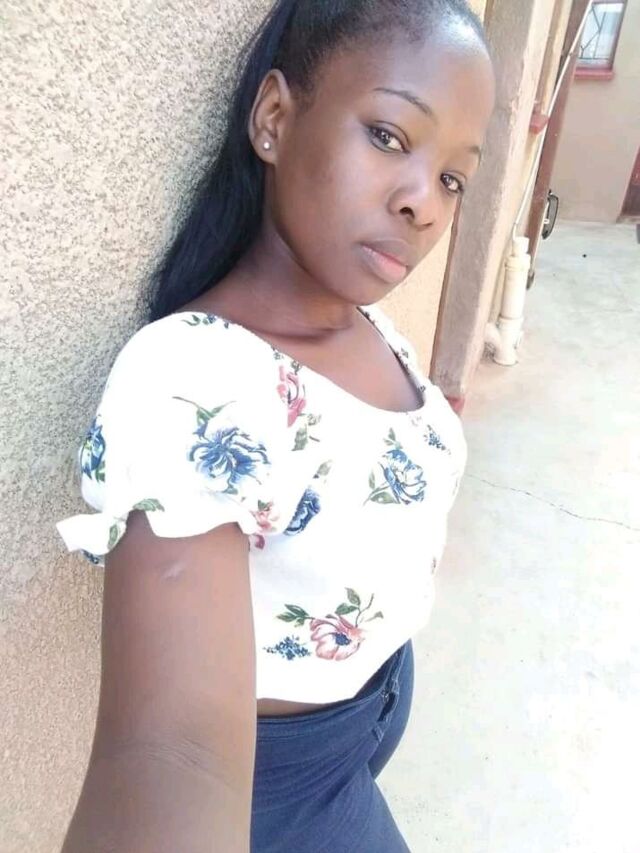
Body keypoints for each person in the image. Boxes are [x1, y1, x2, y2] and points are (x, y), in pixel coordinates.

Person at [56, 0, 495, 850]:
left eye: (453, 177)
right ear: (274, 118)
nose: (424, 203)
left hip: (370, 712)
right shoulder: (195, 378)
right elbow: (173, 752)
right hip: (287, 788)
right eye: (390, 136)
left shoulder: (373, 330)